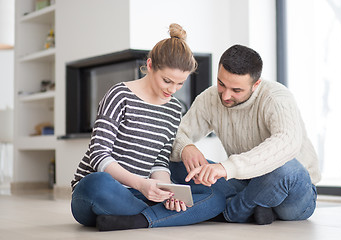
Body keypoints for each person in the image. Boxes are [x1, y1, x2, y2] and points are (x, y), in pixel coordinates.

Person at [70, 23, 225, 231]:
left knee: (215, 197)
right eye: (167, 80)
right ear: (150, 65)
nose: (173, 89)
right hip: (100, 192)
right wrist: (142, 185)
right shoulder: (119, 95)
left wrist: (167, 192)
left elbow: (160, 161)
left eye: (180, 84)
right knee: (97, 183)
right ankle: (156, 217)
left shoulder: (173, 109)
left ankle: (138, 219)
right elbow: (98, 154)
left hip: (139, 193)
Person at [170, 44, 321, 225]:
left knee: (286, 167)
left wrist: (226, 168)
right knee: (176, 163)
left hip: (291, 192)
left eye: (236, 90)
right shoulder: (210, 98)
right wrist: (186, 147)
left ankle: (231, 212)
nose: (225, 95)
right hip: (244, 184)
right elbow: (175, 134)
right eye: (221, 83)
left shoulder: (276, 97)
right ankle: (255, 206)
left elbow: (287, 142)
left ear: (256, 84)